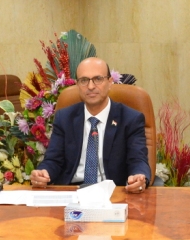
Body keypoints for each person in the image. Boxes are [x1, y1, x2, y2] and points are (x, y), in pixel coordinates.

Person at [30, 57, 150, 192]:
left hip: (113, 193)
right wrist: (43, 173)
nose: (91, 86)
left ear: (110, 82)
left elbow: (137, 160)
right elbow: (53, 160)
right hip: (72, 192)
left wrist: (139, 176)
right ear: (77, 85)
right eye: (84, 80)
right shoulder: (64, 118)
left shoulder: (130, 119)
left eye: (98, 79)